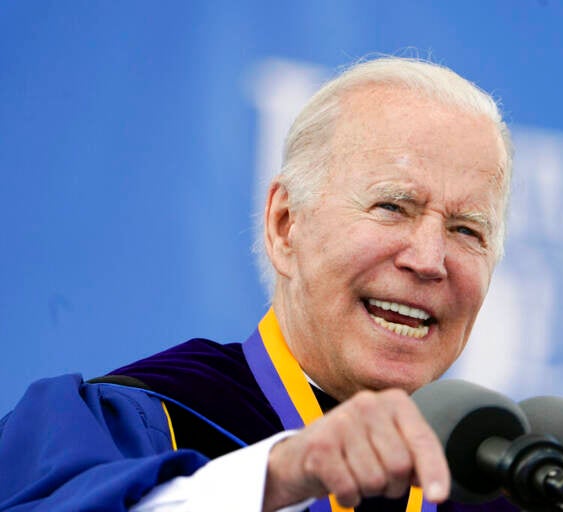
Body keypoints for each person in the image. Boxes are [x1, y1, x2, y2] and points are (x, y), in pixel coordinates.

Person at [0, 57, 516, 512]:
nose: (429, 260)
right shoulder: (143, 423)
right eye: (391, 208)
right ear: (285, 225)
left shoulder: (505, 488)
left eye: (466, 230)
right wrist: (277, 478)